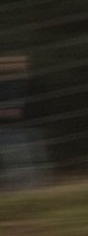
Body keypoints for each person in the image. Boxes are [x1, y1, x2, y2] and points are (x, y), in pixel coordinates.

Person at [0, 55, 48, 189]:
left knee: (28, 159)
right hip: (12, 128)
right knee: (19, 160)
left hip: (24, 126)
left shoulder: (28, 83)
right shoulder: (13, 84)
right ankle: (29, 186)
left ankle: (34, 186)